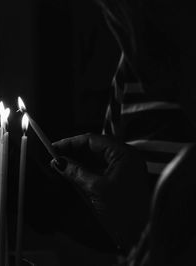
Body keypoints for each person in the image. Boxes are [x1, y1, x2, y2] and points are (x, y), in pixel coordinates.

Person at [50, 0, 196, 264]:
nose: (134, 46)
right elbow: (122, 236)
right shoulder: (133, 71)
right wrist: (50, 205)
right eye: (113, 11)